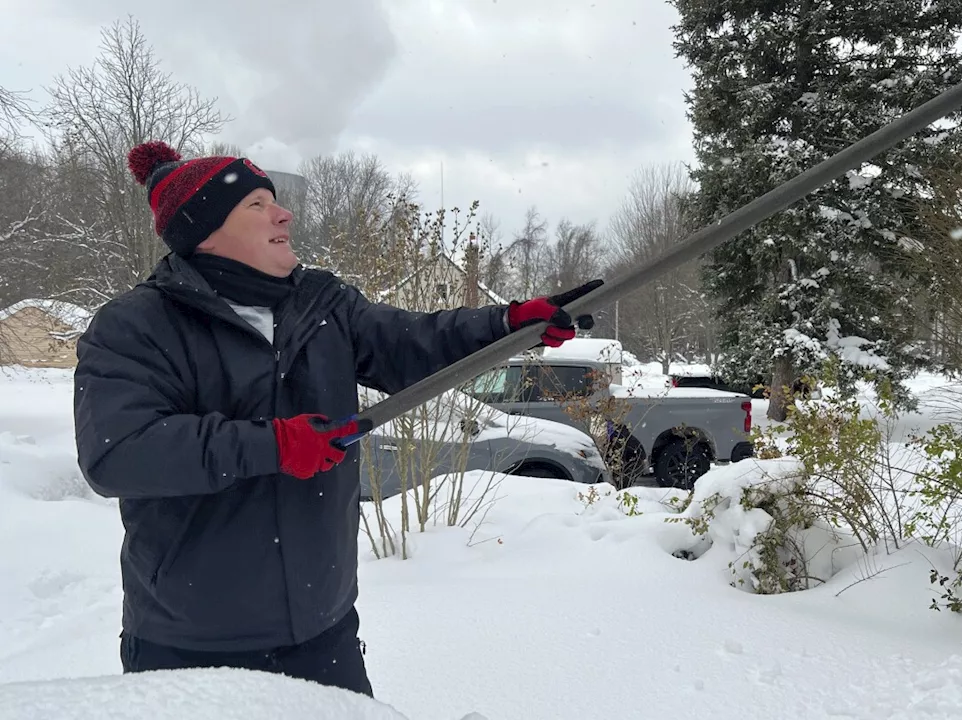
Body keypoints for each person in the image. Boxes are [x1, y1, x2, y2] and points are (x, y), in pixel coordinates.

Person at [72, 140, 600, 697]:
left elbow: (411, 345)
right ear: (203, 229)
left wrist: (507, 324)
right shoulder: (137, 325)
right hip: (191, 645)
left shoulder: (322, 306)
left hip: (323, 635)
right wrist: (273, 445)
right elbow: (120, 452)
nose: (283, 213)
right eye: (256, 205)